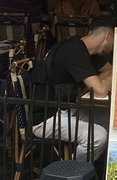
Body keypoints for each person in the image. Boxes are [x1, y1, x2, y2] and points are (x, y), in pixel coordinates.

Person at [30, 18, 112, 160]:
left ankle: (96, 166)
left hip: (67, 108)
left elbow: (107, 70)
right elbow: (100, 90)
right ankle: (74, 173)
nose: (113, 47)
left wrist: (101, 81)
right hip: (47, 117)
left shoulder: (85, 48)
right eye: (114, 41)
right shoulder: (74, 51)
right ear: (107, 35)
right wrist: (111, 78)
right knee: (98, 136)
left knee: (111, 120)